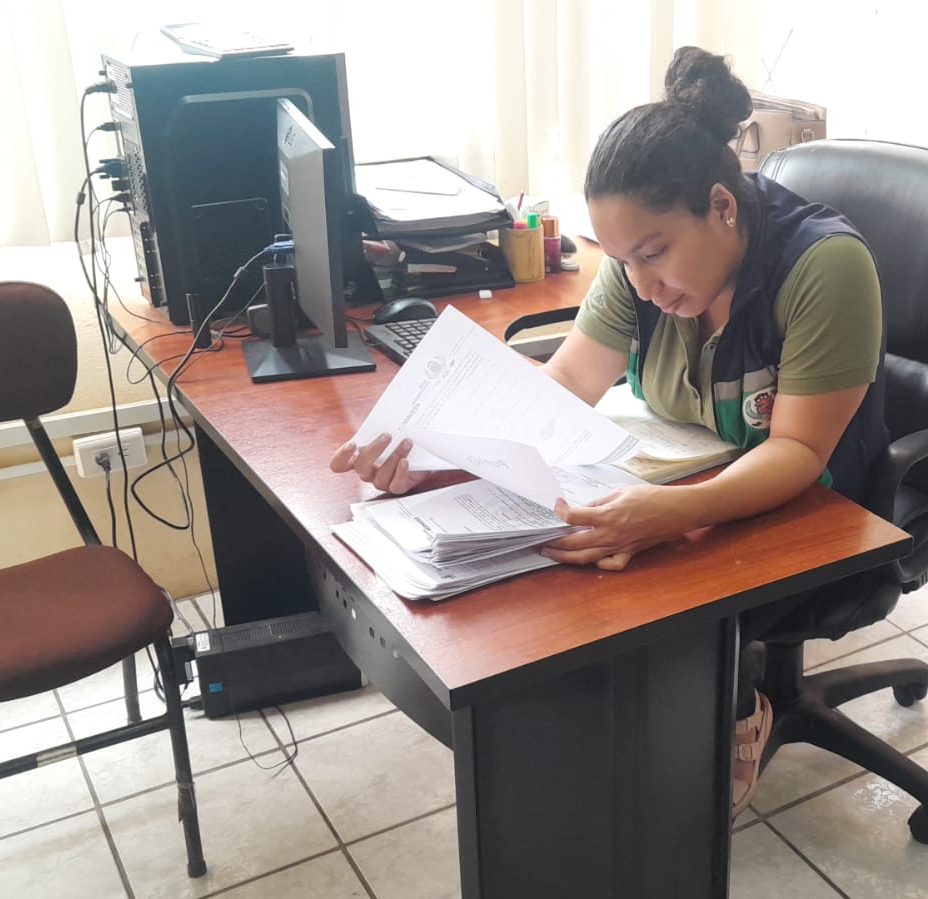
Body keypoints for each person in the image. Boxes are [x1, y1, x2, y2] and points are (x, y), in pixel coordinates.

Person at [330, 46, 888, 815]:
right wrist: (435, 454)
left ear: (722, 207)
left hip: (814, 510)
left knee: (647, 609)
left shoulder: (822, 267)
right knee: (570, 581)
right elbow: (565, 384)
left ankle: (731, 710)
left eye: (653, 254)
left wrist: (672, 513)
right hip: (691, 470)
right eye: (622, 260)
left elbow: (797, 449)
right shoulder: (639, 271)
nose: (640, 284)